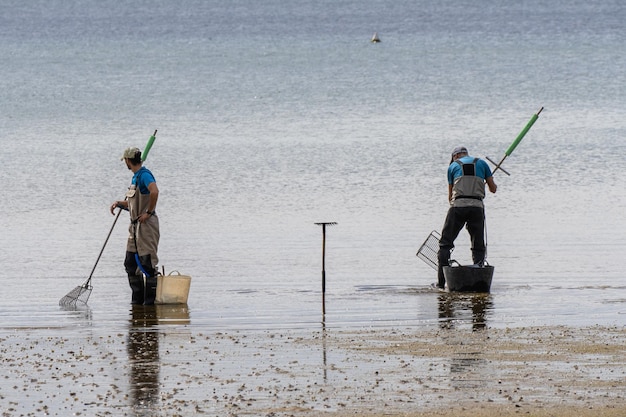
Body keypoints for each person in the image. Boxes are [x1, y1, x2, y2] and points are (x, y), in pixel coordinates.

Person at [436, 146, 497, 289]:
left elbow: (450, 197)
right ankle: (480, 282)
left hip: (458, 206)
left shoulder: (452, 167)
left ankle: (441, 284)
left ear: (455, 156)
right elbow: (493, 189)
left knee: (445, 244)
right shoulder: (482, 163)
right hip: (477, 207)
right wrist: (484, 182)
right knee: (478, 244)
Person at [110, 147, 160, 305]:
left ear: (128, 161)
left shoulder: (145, 175)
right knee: (130, 263)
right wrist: (119, 203)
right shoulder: (135, 178)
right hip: (134, 227)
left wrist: (149, 212)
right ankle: (137, 303)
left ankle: (150, 304)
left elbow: (155, 191)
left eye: (125, 160)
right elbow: (134, 203)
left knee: (148, 264)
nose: (125, 163)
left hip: (146, 226)